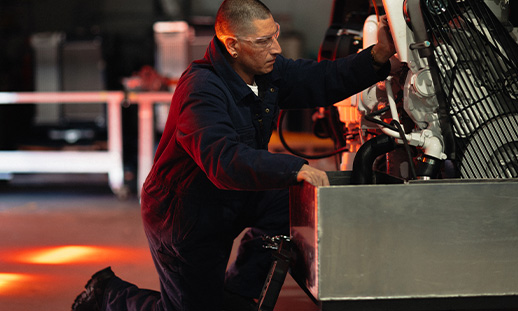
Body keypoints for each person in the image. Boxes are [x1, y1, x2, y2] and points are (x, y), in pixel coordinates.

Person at [72, 0, 395, 310]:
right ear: (232, 44)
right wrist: (293, 167)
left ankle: (238, 292)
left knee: (291, 203)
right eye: (263, 41)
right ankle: (107, 295)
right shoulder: (201, 90)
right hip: (186, 210)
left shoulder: (265, 71)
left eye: (275, 36)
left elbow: (320, 79)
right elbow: (222, 159)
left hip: (236, 194)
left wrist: (378, 56)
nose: (276, 48)